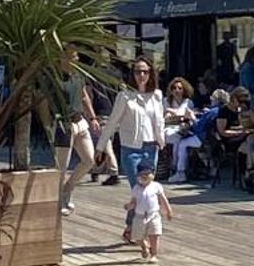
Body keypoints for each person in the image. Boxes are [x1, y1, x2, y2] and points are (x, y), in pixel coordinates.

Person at [106, 58, 167, 188]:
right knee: (137, 189)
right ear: (132, 74)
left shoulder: (156, 95)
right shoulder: (125, 96)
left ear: (151, 74)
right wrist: (100, 147)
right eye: (138, 72)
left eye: (145, 72)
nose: (142, 75)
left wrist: (161, 140)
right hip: (131, 148)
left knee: (147, 191)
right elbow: (112, 121)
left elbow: (160, 120)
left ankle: (139, 209)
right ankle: (136, 209)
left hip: (151, 148)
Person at [59, 74, 113, 214]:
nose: (76, 55)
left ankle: (68, 188)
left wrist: (93, 117)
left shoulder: (77, 76)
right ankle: (59, 200)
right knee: (62, 166)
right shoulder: (56, 76)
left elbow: (84, 97)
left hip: (80, 121)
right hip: (63, 123)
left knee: (89, 160)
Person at [124, 159, 173, 263]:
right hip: (139, 216)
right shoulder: (136, 188)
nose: (144, 176)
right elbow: (134, 201)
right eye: (141, 174)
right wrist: (129, 206)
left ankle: (154, 254)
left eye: (147, 174)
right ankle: (144, 246)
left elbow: (163, 199)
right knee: (137, 236)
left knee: (154, 235)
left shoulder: (156, 186)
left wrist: (168, 210)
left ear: (153, 174)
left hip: (153, 215)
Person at [161, 78, 197, 172]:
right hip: (169, 128)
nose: (177, 90)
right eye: (174, 88)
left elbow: (189, 117)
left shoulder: (188, 102)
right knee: (177, 139)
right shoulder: (166, 101)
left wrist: (173, 113)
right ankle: (175, 166)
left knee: (182, 139)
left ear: (184, 89)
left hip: (184, 129)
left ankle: (178, 166)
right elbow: (164, 119)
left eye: (180, 88)